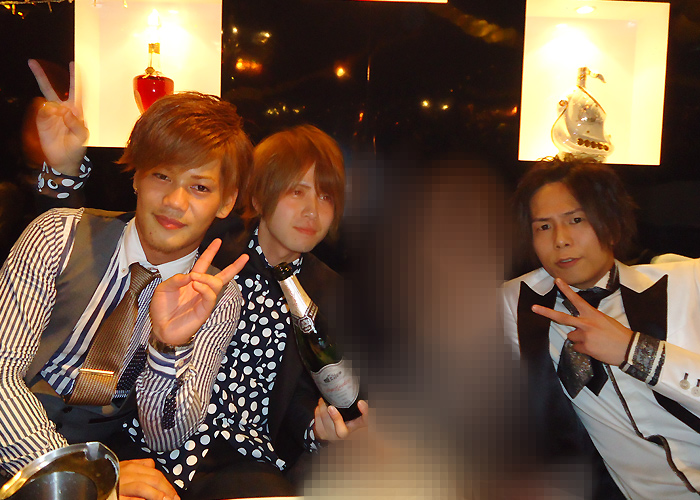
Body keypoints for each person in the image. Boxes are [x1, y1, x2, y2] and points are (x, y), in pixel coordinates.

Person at [0, 86, 253, 500]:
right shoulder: (57, 236)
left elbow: (164, 436)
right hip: (16, 438)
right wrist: (78, 473)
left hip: (107, 453)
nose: (175, 202)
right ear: (136, 177)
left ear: (226, 203)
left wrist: (168, 348)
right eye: (162, 176)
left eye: (200, 188)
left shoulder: (217, 297)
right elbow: (1, 373)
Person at [122, 124, 369, 500]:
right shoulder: (210, 245)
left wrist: (318, 430)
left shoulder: (330, 292)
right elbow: (128, 237)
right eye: (296, 191)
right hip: (152, 434)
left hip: (244, 454)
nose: (311, 211)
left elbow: (301, 394)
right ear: (259, 194)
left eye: (325, 196)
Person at [502, 155, 700, 499]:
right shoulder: (518, 303)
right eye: (543, 227)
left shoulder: (687, 283)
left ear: (611, 224)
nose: (560, 240)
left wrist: (634, 351)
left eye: (576, 220)